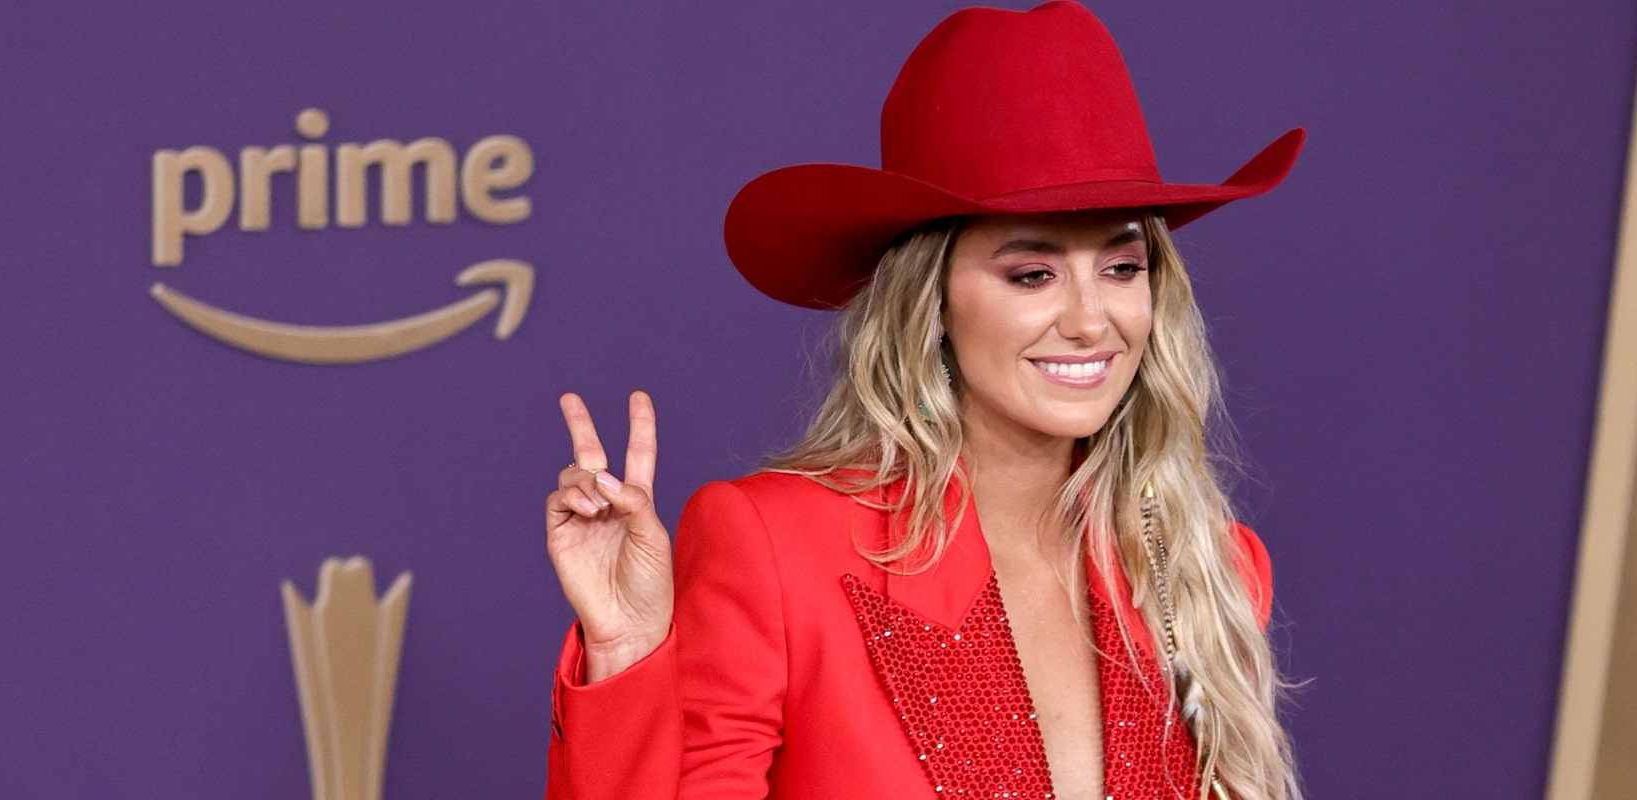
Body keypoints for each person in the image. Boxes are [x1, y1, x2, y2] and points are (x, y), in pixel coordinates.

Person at [541, 2, 1304, 798]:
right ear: (931, 302)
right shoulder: (774, 544)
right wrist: (626, 653)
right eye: (1031, 274)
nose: (1090, 321)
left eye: (1122, 267)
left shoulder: (1207, 563)